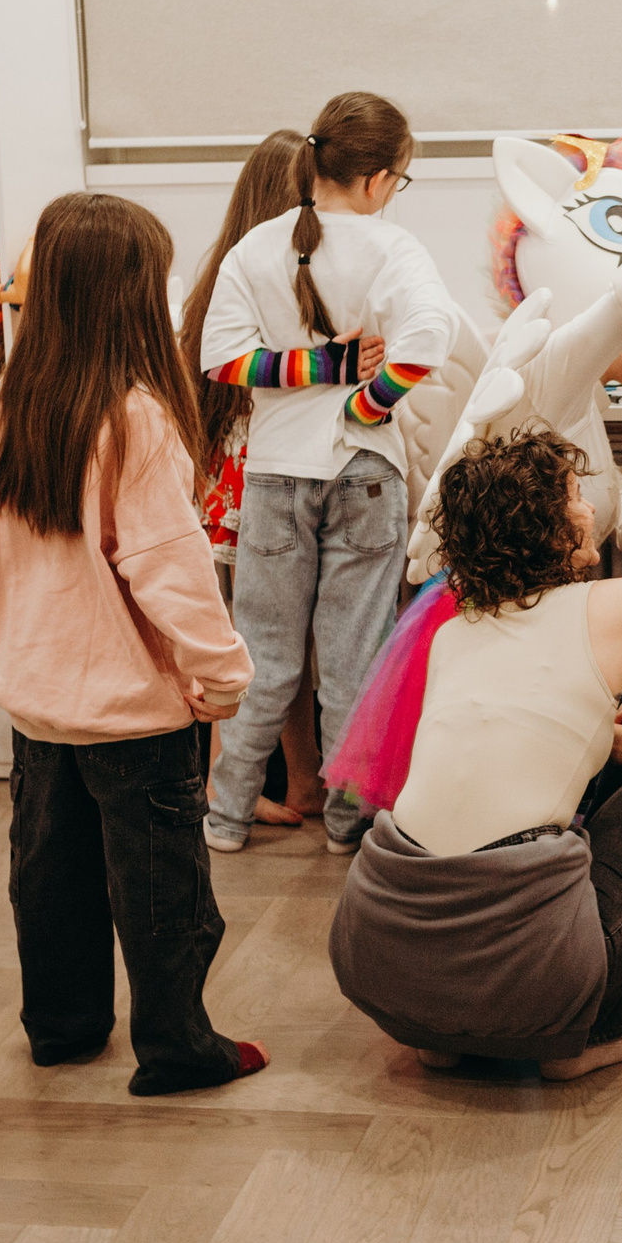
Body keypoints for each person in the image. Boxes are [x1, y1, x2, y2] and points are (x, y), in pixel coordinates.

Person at [0, 191, 268, 1095]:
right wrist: (224, 678)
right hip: (135, 715)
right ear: (128, 297)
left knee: (48, 883)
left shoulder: (4, 407)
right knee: (164, 893)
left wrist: (8, 651)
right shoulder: (135, 419)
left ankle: (62, 1028)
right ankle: (177, 1049)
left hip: (39, 703)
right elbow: (172, 572)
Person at [328, 430, 622, 1079]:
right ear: (548, 527)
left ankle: (440, 1029)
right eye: (577, 497)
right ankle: (600, 1031)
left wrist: (604, 728)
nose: (590, 510)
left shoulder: (451, 632)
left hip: (377, 957)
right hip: (533, 988)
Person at [198, 91, 456, 855]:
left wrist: (311, 365)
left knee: (264, 656)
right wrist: (365, 406)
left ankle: (226, 817)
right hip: (365, 477)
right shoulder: (393, 250)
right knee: (353, 660)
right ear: (377, 180)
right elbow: (429, 337)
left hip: (275, 476)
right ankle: (348, 826)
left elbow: (223, 359)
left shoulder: (255, 249)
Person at [179, 128, 341, 827]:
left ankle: (300, 781)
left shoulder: (219, 282)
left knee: (271, 643)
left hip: (232, 493)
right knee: (265, 647)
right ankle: (228, 785)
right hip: (262, 491)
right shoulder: (278, 282)